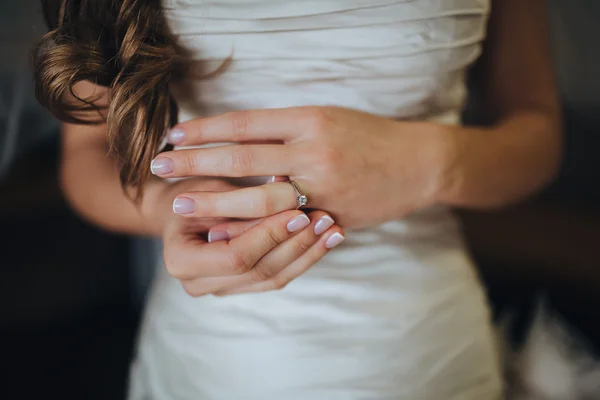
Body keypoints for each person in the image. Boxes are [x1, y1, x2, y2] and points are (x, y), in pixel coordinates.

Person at [33, 0, 561, 398]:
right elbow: (87, 151)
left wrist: (432, 163)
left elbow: (537, 133)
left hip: (424, 347)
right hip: (211, 354)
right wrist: (169, 205)